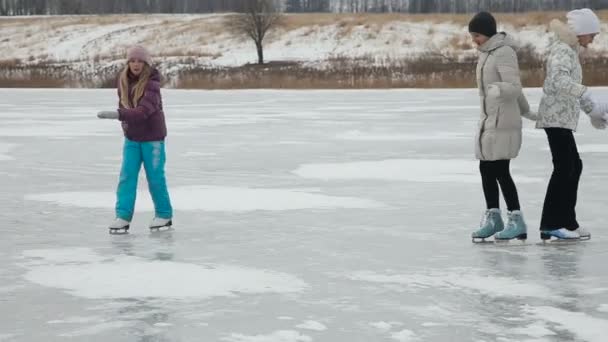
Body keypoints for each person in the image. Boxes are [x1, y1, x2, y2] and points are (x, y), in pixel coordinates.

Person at [536, 9, 608, 240]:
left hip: (563, 118)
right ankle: (551, 224)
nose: (594, 39)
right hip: (555, 118)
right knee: (565, 168)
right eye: (592, 34)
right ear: (581, 32)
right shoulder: (562, 50)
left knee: (574, 166)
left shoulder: (570, 50)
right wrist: (587, 96)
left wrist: (593, 112)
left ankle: (567, 221)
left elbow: (573, 89)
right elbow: (558, 80)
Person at [467, 12, 537, 242]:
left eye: (476, 35)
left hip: (503, 122)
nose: (474, 39)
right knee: (486, 169)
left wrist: (498, 89)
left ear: (486, 33)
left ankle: (517, 220)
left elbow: (514, 87)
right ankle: (494, 218)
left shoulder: (504, 52)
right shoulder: (486, 54)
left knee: (500, 171)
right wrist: (528, 111)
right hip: (490, 122)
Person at [97, 45, 173, 233]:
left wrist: (118, 115)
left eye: (140, 61)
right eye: (132, 60)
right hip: (132, 138)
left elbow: (144, 111)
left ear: (146, 63)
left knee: (155, 178)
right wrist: (124, 124)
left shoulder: (152, 84)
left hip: (152, 139)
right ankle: (122, 217)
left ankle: (164, 215)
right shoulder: (123, 82)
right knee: (126, 177)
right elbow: (124, 105)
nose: (136, 64)